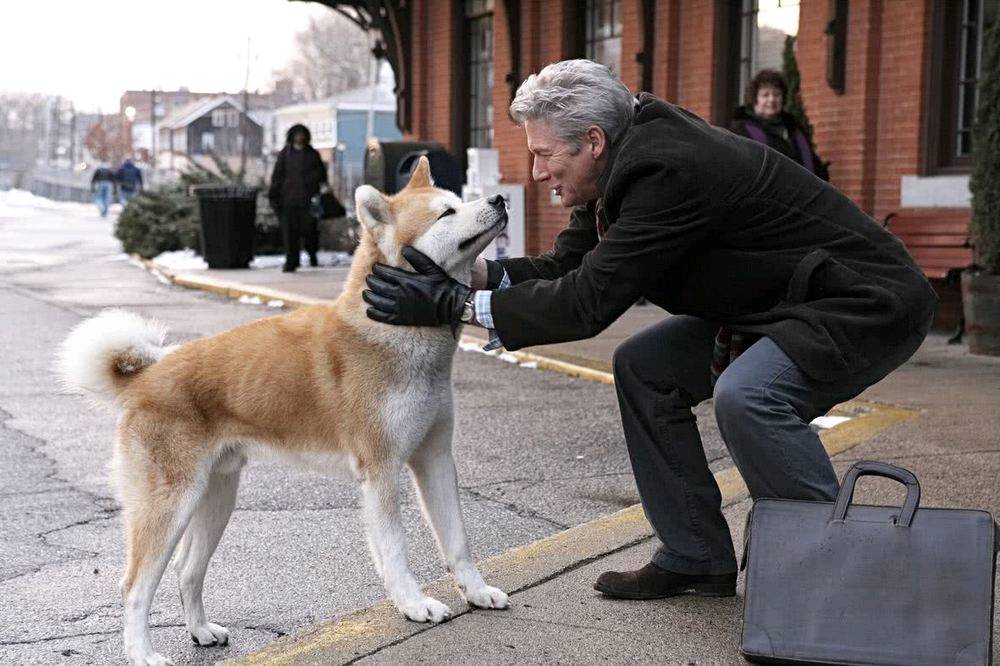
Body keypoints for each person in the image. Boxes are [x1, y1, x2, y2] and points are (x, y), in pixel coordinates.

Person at [362, 59, 937, 602]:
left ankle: (844, 572)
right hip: (781, 303)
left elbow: (587, 303)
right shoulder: (617, 159)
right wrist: (467, 272)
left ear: (592, 141)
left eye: (543, 155)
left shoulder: (667, 169)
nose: (536, 174)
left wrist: (454, 305)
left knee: (749, 396)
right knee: (645, 367)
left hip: (861, 302)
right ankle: (695, 554)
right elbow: (568, 267)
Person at [731, 69, 828, 181]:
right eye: (765, 95)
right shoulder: (741, 130)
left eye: (776, 94)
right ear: (755, 99)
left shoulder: (794, 129)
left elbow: (813, 163)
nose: (771, 99)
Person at [268, 124, 327, 272]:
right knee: (290, 233)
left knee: (310, 231)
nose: (299, 137)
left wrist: (314, 186)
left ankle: (312, 254)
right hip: (288, 200)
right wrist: (274, 195)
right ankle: (291, 261)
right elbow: (277, 176)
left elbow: (321, 175)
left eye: (302, 134)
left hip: (308, 201)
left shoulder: (312, 154)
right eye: (296, 134)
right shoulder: (285, 155)